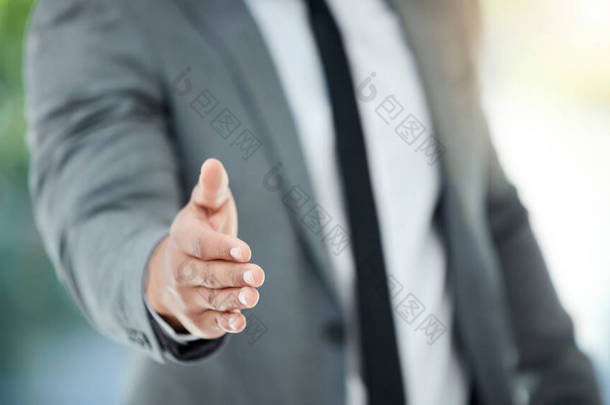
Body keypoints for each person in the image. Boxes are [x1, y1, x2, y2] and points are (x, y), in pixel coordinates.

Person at [25, 0, 601, 404]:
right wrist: (171, 282)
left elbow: (490, 212)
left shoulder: (437, 8)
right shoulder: (108, 11)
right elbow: (101, 212)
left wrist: (568, 385)